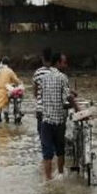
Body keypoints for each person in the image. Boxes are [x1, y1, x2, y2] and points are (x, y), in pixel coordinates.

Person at [37, 52, 73, 180]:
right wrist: (76, 107)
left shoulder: (43, 78)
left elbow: (40, 96)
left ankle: (47, 179)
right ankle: (61, 175)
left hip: (46, 121)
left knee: (47, 154)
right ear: (58, 63)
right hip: (58, 122)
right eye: (64, 62)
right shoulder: (63, 78)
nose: (66, 65)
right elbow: (66, 100)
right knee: (60, 150)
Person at [0, 57, 21, 122]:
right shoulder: (9, 71)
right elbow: (16, 80)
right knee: (5, 107)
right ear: (8, 64)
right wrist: (21, 84)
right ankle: (6, 121)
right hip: (5, 92)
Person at [32, 47, 53, 136]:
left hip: (41, 109)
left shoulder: (37, 73)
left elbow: (35, 93)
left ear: (42, 58)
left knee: (42, 137)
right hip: (53, 111)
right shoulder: (56, 72)